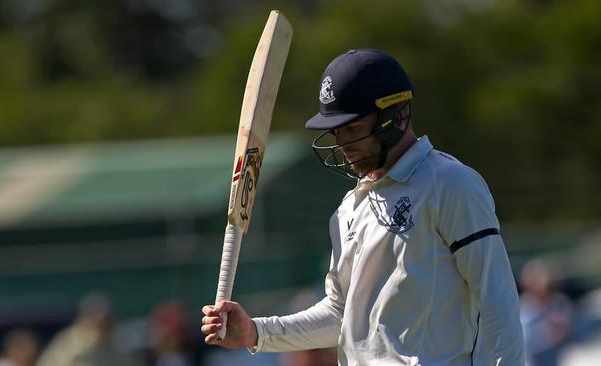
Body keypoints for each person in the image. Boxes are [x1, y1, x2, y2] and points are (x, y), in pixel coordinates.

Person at [201, 49, 525, 365]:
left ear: (396, 116)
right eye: (337, 131)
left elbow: (497, 299)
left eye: (353, 129)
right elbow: (341, 313)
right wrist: (256, 332)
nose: (343, 144)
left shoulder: (450, 183)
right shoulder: (350, 208)